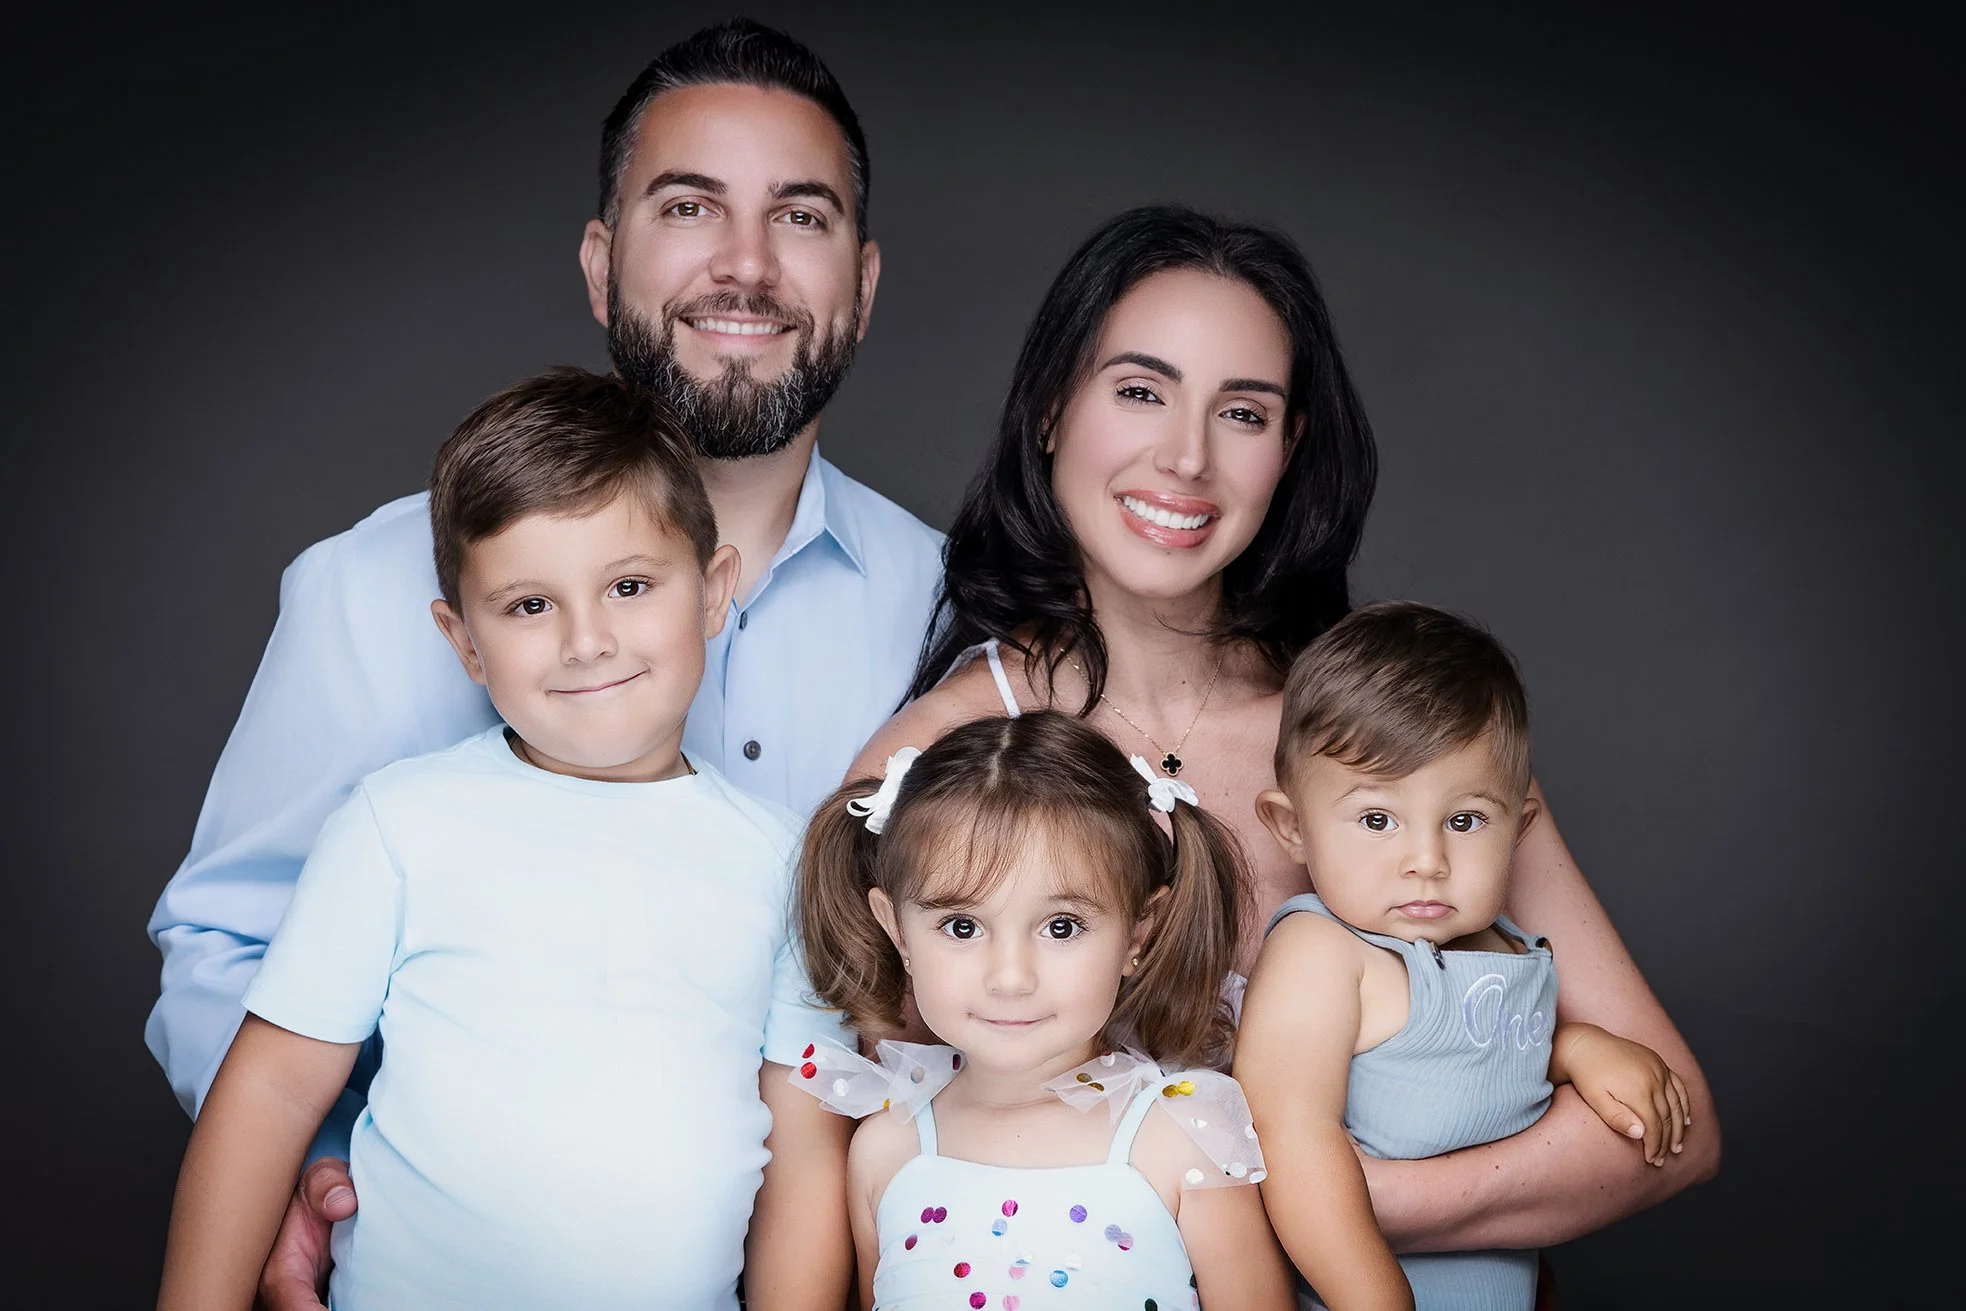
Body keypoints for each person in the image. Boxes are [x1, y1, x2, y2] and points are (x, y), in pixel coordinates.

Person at [143, 19, 938, 1306]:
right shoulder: (372, 587)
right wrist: (318, 1175)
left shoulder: (953, 615)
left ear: (861, 277)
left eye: (800, 216)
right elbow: (231, 955)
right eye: (688, 207)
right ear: (600, 257)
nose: (745, 265)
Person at [852, 205, 1719, 1264]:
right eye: (1137, 392)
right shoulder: (930, 764)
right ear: (1047, 410)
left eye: (1244, 414)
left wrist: (1339, 1204)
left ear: (1289, 447)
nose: (1185, 458)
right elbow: (898, 1169)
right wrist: (1269, 1195)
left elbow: (1672, 1136)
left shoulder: (1385, 735)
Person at [156, 368, 849, 1310]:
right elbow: (270, 1092)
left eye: (631, 585)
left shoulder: (784, 862)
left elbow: (803, 1145)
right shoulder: (397, 826)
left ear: (713, 590)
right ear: (464, 641)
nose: (586, 641)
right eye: (530, 605)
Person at [1236, 601, 1695, 1310]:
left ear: (1520, 829)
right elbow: (1288, 1138)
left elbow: (1465, 1059)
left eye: (1464, 820)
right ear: (1291, 827)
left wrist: (1575, 1048)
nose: (1427, 859)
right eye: (1378, 819)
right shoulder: (1324, 952)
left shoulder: (1510, 945)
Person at [793, 711, 1295, 1309]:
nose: (1010, 978)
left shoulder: (1182, 1140)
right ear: (897, 932)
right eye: (961, 925)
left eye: (1061, 927)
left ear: (1138, 934)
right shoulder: (885, 1149)